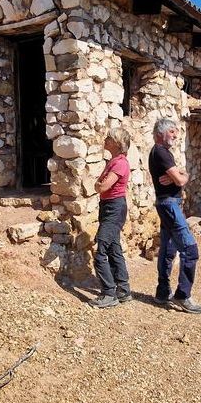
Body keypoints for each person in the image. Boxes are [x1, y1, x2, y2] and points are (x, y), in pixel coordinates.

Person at [149, 118, 201, 314]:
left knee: (168, 250)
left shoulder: (159, 152)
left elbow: (179, 178)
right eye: (171, 131)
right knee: (190, 249)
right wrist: (182, 176)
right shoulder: (161, 152)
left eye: (176, 132)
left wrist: (180, 175)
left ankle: (162, 292)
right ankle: (182, 295)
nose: (175, 135)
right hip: (170, 205)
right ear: (160, 133)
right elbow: (180, 181)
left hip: (167, 204)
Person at [88, 127, 133, 309]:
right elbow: (98, 185)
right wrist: (99, 185)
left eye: (109, 137)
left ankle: (109, 293)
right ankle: (123, 290)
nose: (105, 139)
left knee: (100, 252)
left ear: (117, 143)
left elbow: (101, 186)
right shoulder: (113, 162)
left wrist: (99, 185)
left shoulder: (120, 164)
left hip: (114, 209)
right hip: (109, 207)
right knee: (114, 249)